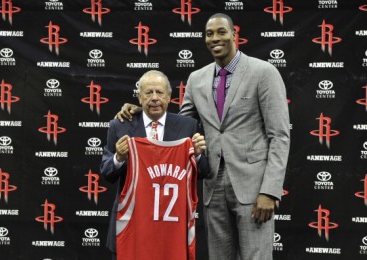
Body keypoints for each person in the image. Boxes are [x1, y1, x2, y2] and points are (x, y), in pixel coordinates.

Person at [117, 13, 290, 260]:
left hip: (253, 188)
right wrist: (143, 111)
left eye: (221, 32)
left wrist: (270, 191)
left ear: (234, 35)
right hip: (212, 185)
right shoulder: (197, 79)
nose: (215, 38)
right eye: (209, 34)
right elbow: (178, 126)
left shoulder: (264, 72)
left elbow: (280, 136)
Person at [100, 70, 209, 260]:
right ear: (139, 97)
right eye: (148, 93)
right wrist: (119, 157)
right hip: (132, 223)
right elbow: (107, 173)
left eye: (159, 92)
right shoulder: (120, 125)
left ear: (169, 97)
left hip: (171, 228)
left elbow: (204, 172)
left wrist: (197, 156)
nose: (155, 98)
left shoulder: (188, 126)